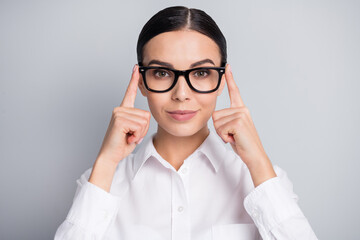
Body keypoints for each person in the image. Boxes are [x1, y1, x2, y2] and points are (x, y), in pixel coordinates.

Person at [54, 6, 318, 240]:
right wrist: (107, 162)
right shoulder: (101, 182)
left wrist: (259, 161)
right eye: (161, 73)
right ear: (142, 82)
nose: (181, 94)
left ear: (222, 81)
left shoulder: (264, 181)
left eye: (201, 73)